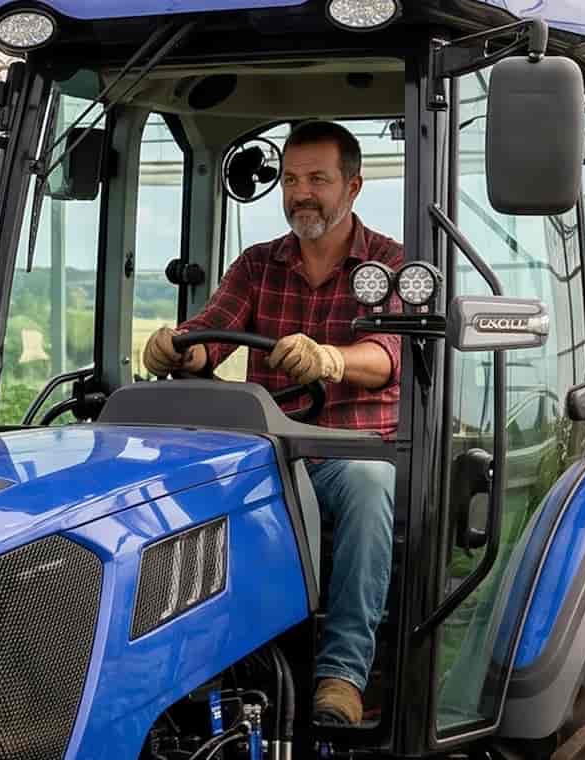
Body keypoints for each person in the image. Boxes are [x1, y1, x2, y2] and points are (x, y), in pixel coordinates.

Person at [142, 120, 401, 727]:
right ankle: (193, 670)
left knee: (369, 484)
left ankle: (341, 675)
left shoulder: (388, 263)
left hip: (349, 452)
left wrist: (331, 359)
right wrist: (178, 348)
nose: (301, 193)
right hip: (272, 450)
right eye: (290, 179)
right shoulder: (259, 265)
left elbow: (389, 355)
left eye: (317, 179)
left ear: (353, 186)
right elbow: (213, 331)